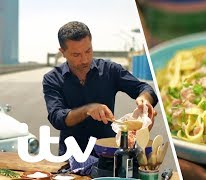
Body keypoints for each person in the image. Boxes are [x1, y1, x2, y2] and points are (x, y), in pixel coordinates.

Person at [42, 21, 158, 156]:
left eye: (88, 51)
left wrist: (144, 99)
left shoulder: (110, 70)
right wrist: (87, 110)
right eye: (76, 55)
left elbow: (143, 88)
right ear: (62, 52)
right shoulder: (52, 78)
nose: (85, 59)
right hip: (71, 156)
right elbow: (57, 118)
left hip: (108, 153)